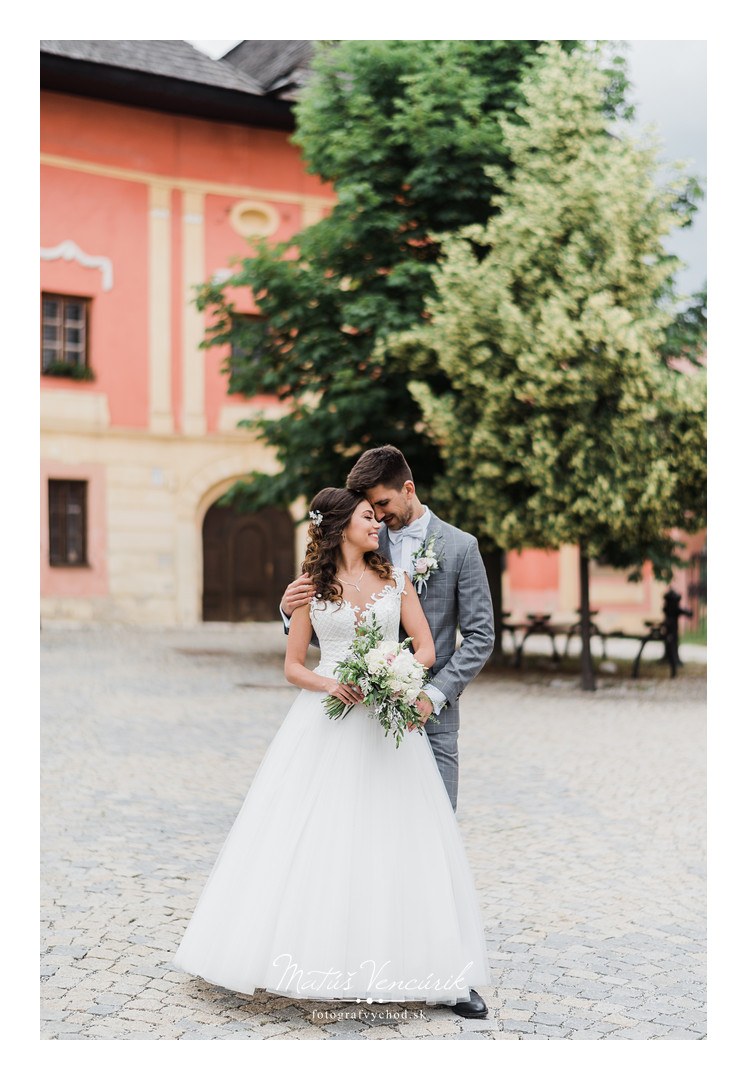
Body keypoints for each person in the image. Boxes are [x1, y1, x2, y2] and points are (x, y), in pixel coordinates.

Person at [174, 487, 491, 1010]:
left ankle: (435, 970)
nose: (378, 526)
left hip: (388, 726)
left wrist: (399, 676)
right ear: (343, 525)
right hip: (328, 723)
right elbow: (293, 665)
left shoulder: (395, 578)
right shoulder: (310, 591)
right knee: (321, 839)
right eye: (369, 517)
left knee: (403, 840)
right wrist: (331, 684)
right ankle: (308, 957)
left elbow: (429, 646)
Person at [280, 447, 495, 1018]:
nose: (377, 517)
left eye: (381, 506)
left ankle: (449, 974)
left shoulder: (459, 547)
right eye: (368, 511)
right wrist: (287, 609)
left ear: (407, 488)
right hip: (352, 720)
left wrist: (428, 693)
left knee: (431, 844)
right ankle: (352, 958)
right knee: (347, 840)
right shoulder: (357, 546)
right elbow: (320, 625)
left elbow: (477, 637)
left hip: (426, 714)